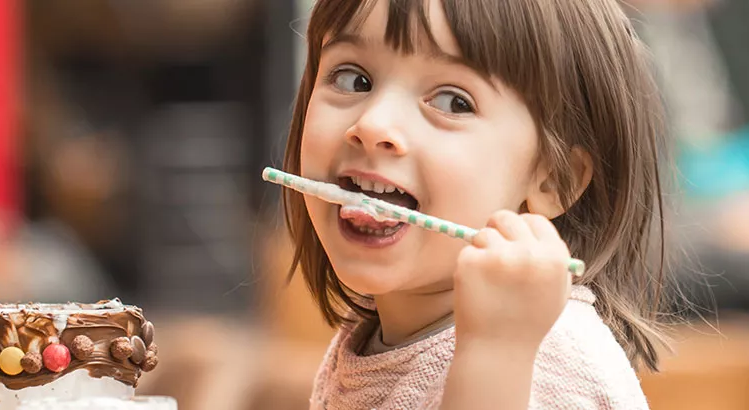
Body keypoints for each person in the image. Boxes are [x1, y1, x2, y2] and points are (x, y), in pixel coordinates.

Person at [279, 0, 670, 408]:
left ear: (556, 180)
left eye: (453, 101)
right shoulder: (370, 341)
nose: (373, 125)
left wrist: (495, 354)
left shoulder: (547, 361)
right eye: (353, 79)